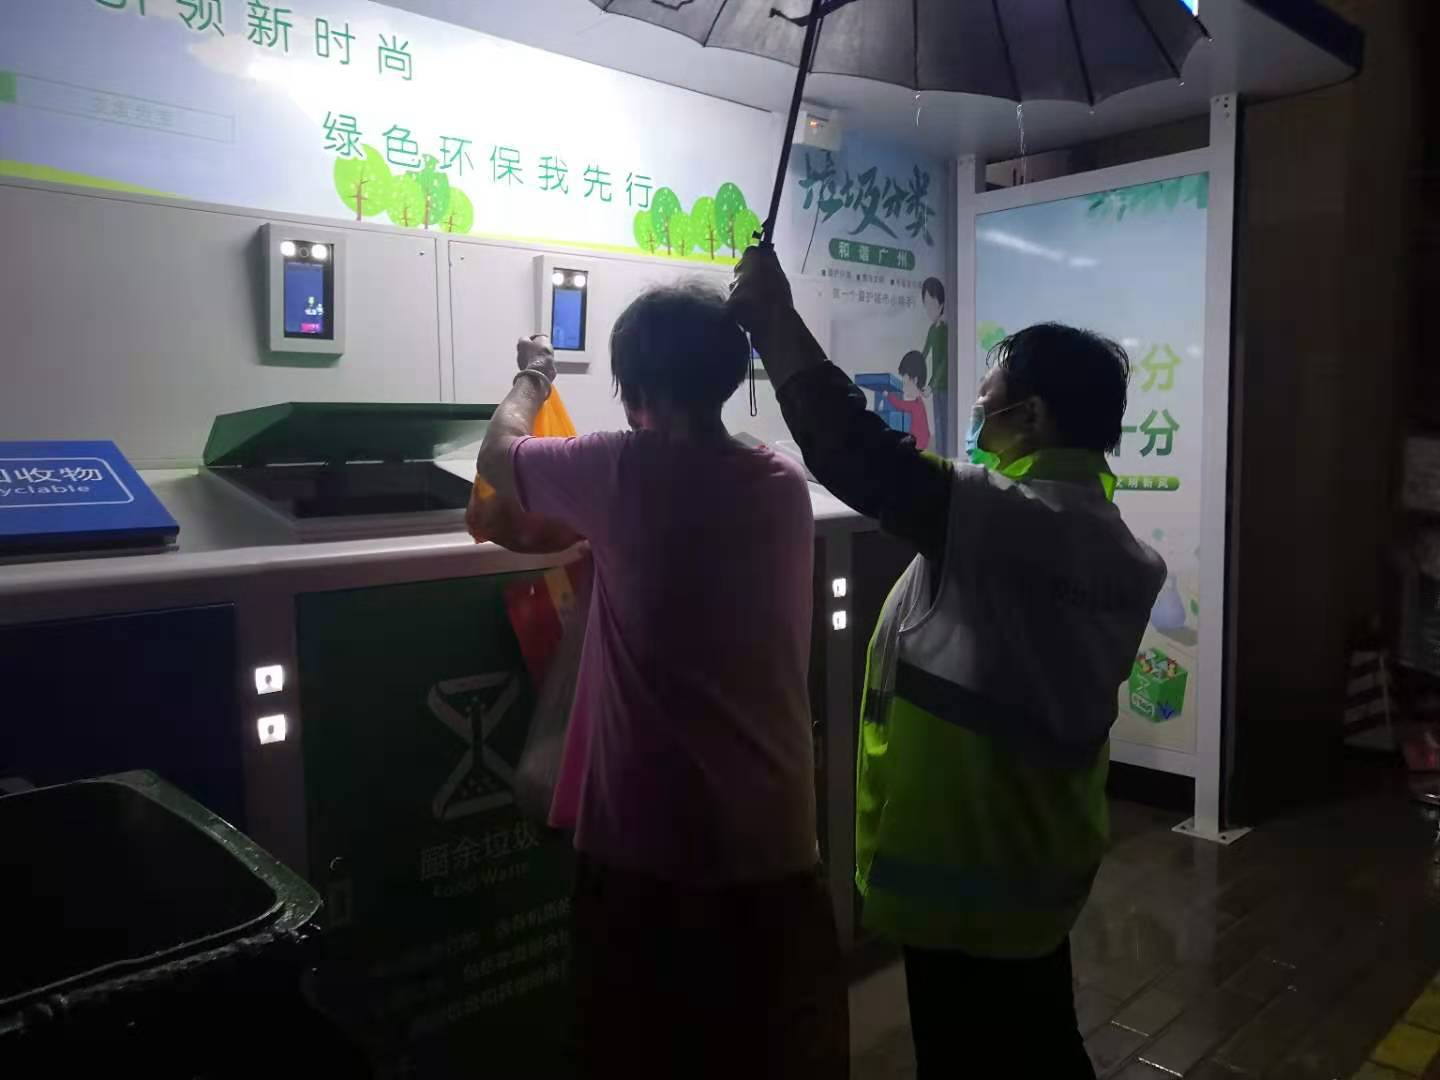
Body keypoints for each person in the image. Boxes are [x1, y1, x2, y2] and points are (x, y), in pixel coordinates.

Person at [729, 247, 1166, 1080]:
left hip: (965, 878)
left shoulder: (1007, 521)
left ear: (1031, 416)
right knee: (1038, 1042)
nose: (977, 412)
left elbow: (857, 453)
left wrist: (775, 324)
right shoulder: (1116, 550)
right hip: (1036, 868)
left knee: (974, 1056)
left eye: (988, 398)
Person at [470, 282, 847, 1080]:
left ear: (633, 388)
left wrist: (534, 376)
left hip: (643, 854)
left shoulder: (618, 467)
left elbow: (498, 455)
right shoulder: (783, 486)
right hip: (776, 849)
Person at [920, 277, 949, 454]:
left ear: (941, 304)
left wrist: (931, 384)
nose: (929, 309)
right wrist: (913, 370)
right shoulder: (932, 330)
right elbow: (924, 354)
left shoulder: (945, 331)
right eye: (926, 305)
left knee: (945, 423)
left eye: (932, 304)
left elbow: (944, 362)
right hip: (936, 386)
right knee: (938, 422)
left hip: (945, 385)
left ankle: (945, 457)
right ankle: (941, 456)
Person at [882, 349, 932, 452]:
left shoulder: (916, 405)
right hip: (920, 442)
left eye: (905, 384)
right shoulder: (919, 401)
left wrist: (888, 395)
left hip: (918, 443)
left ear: (915, 380)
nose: (903, 389)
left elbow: (900, 405)